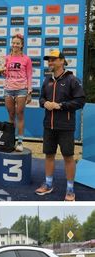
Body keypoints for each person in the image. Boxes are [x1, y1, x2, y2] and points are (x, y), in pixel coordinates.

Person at [36, 50, 86, 201]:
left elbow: (80, 101)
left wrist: (60, 106)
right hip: (49, 126)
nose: (50, 62)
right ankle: (48, 184)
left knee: (68, 157)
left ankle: (70, 189)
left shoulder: (72, 80)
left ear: (62, 61)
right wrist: (45, 103)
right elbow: (41, 99)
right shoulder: (47, 80)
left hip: (65, 126)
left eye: (53, 59)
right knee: (49, 155)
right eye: (48, 60)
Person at [0, 34, 33, 152]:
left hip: (21, 88)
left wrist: (29, 92)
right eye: (13, 43)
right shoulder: (6, 58)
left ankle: (20, 141)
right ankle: (10, 140)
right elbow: (5, 73)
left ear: (22, 45)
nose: (15, 45)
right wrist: (1, 72)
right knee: (11, 115)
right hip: (8, 88)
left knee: (20, 114)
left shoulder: (26, 59)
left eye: (18, 43)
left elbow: (29, 75)